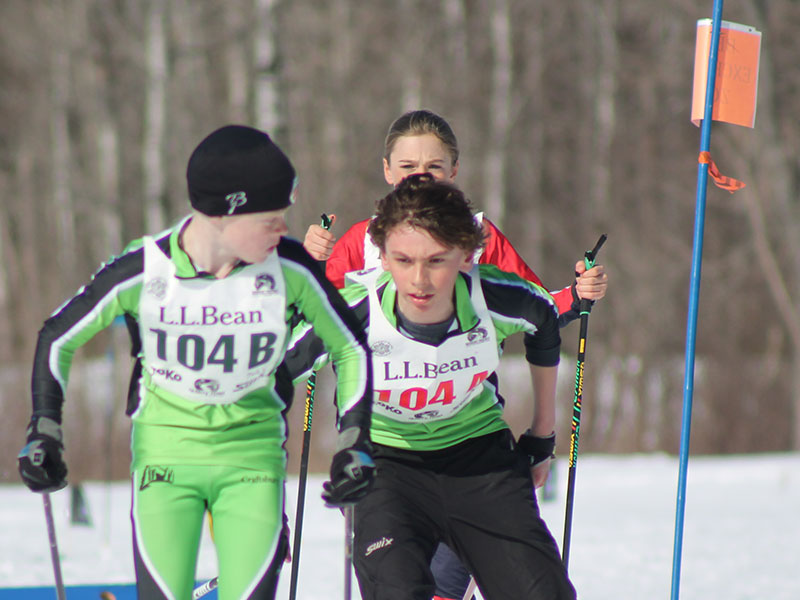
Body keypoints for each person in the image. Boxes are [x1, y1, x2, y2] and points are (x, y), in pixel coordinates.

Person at [17, 125, 375, 600]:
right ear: (226, 212)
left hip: (252, 461)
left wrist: (354, 439)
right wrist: (45, 428)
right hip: (165, 461)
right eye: (271, 217)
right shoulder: (145, 269)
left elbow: (350, 346)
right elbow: (58, 336)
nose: (284, 229)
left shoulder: (291, 269)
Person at [303, 109, 606, 599]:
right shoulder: (361, 242)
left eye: (433, 168)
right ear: (387, 171)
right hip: (386, 450)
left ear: (454, 171)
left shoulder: (480, 238)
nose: (420, 177)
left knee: (456, 583)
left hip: (470, 441)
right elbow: (311, 318)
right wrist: (308, 262)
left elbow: (536, 308)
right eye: (408, 168)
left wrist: (579, 295)